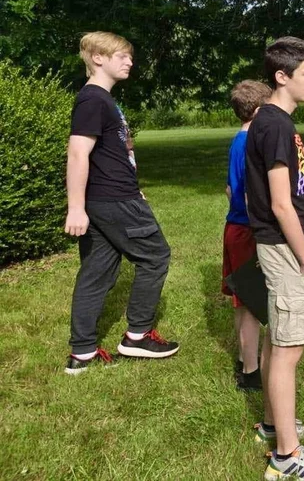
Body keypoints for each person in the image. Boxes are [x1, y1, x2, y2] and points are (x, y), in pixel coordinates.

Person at [245, 37, 304, 480]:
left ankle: (271, 423)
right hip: (288, 247)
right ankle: (286, 457)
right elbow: (281, 203)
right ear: (282, 77)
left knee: (276, 338)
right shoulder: (276, 125)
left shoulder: (270, 120)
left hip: (282, 245)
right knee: (288, 349)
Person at [64, 31, 179, 375]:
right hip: (113, 199)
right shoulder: (93, 100)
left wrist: (132, 185)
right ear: (98, 58)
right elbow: (77, 153)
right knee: (155, 255)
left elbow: (109, 155)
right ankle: (137, 335)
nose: (130, 61)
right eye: (122, 56)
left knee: (97, 273)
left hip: (110, 196)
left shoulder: (102, 100)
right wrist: (75, 207)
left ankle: (82, 352)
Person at [223, 79, 272, 390]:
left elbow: (229, 189)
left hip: (235, 228)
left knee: (243, 302)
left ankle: (244, 360)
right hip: (248, 232)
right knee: (253, 304)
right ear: (257, 111)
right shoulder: (250, 145)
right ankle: (252, 373)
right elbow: (243, 197)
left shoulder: (237, 141)